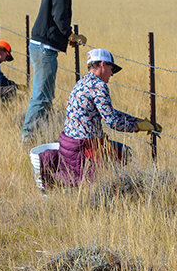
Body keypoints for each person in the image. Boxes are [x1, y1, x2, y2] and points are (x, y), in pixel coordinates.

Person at [39, 48, 161, 188]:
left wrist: (137, 120)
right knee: (125, 154)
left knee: (120, 152)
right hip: (85, 148)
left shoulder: (82, 83)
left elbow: (110, 112)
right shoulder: (99, 86)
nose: (112, 74)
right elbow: (113, 122)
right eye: (112, 68)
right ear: (103, 64)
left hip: (69, 145)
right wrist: (138, 127)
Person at [20, 0, 91, 141]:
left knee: (46, 95)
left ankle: (39, 133)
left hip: (44, 45)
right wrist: (69, 35)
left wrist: (66, 38)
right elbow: (58, 14)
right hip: (45, 47)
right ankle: (27, 138)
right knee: (42, 97)